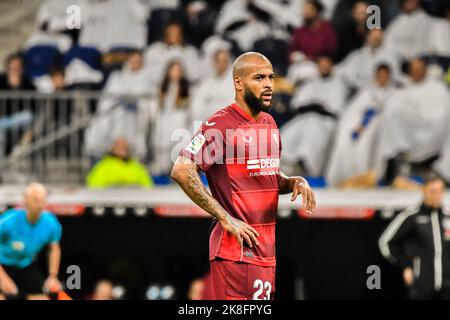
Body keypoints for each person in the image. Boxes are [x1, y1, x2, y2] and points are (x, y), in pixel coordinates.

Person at [171, 52, 316, 300]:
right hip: (236, 251)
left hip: (265, 250)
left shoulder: (269, 123)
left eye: (271, 77)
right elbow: (182, 170)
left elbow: (266, 174)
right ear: (238, 83)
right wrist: (225, 217)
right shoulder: (221, 124)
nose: (269, 84)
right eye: (259, 78)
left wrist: (293, 182)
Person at [375, 58, 450, 188]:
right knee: (391, 116)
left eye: (419, 69)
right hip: (409, 128)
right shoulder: (404, 88)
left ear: (425, 70)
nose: (416, 72)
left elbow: (442, 114)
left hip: (433, 128)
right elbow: (393, 108)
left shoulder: (437, 88)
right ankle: (392, 164)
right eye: (413, 69)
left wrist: (423, 119)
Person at [379, 176, 450, 299]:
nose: (436, 196)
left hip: (446, 284)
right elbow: (385, 242)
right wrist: (405, 265)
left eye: (439, 191)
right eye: (432, 191)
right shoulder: (412, 215)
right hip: (422, 283)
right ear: (424, 191)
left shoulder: (447, 215)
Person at [326, 64, 395, 188]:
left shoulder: (394, 93)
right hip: (360, 124)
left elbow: (389, 112)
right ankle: (343, 178)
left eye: (385, 76)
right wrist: (359, 125)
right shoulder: (367, 92)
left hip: (380, 126)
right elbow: (354, 111)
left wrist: (370, 121)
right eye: (380, 76)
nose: (382, 78)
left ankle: (366, 178)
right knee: (344, 140)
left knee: (366, 142)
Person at [281, 55, 347, 176]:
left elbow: (336, 110)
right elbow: (297, 104)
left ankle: (305, 164)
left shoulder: (338, 85)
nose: (324, 67)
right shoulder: (310, 83)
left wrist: (317, 107)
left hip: (325, 122)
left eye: (327, 65)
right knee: (289, 131)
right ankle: (285, 163)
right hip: (305, 119)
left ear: (331, 66)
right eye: (322, 65)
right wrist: (313, 107)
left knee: (313, 131)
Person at [0, 183, 63, 300]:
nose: (38, 204)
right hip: (3, 265)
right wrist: (3, 279)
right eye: (35, 200)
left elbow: (54, 248)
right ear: (25, 201)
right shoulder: (8, 220)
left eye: (42, 200)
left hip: (26, 264)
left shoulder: (51, 223)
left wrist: (53, 276)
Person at [86, 137, 153, 189]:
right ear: (113, 148)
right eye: (119, 146)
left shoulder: (137, 167)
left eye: (124, 146)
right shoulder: (102, 167)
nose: (122, 149)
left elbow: (148, 186)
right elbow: (93, 188)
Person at [191, 48, 234, 128]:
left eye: (224, 61)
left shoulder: (234, 84)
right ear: (214, 62)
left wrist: (210, 107)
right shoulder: (206, 84)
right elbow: (197, 109)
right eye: (218, 61)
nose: (221, 64)